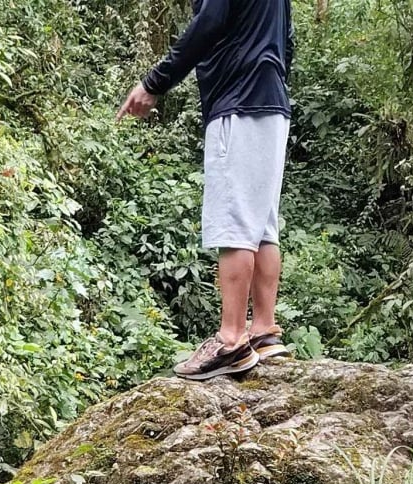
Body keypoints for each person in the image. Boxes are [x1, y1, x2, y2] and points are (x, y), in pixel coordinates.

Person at [117, 0, 295, 380]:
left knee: (235, 224)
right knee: (262, 225)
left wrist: (154, 83)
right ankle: (263, 330)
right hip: (273, 104)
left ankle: (231, 340)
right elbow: (288, 39)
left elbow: (209, 23)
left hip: (238, 103)